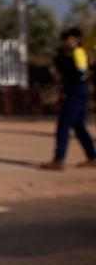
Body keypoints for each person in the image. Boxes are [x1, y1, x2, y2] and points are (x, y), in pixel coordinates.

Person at [41, 27, 96, 170]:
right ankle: (92, 157)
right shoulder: (68, 54)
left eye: (69, 38)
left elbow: (80, 73)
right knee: (79, 127)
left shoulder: (78, 52)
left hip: (76, 92)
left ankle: (58, 160)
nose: (66, 41)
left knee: (63, 125)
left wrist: (63, 78)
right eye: (65, 39)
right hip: (77, 91)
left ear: (76, 39)